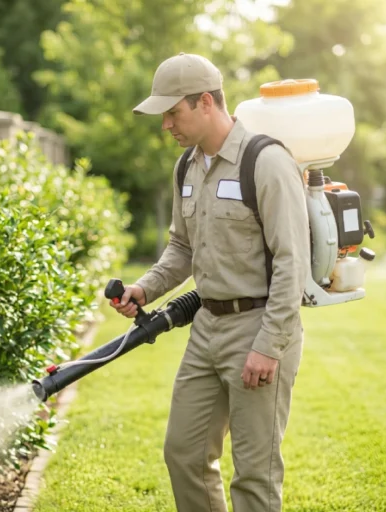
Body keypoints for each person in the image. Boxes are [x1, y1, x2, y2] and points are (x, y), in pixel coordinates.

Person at [111, 53, 310, 512]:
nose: (166, 125)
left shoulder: (265, 161)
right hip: (207, 329)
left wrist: (268, 344)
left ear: (205, 102)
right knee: (184, 452)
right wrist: (146, 288)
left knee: (254, 474)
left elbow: (291, 261)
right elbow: (182, 247)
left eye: (172, 112)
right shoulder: (187, 168)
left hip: (259, 327)